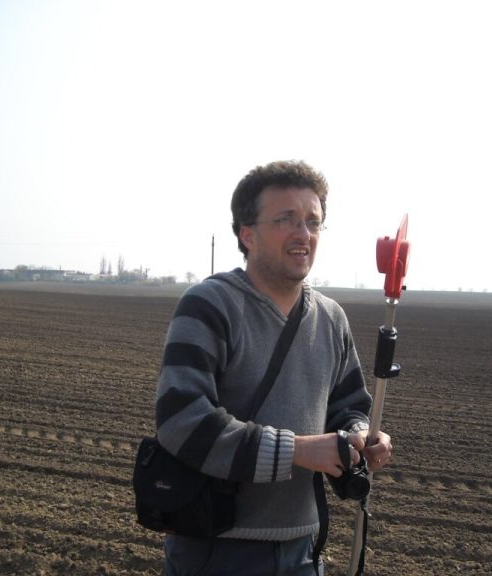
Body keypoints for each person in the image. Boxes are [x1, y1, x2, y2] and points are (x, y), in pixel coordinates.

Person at [155, 160, 393, 576]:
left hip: (303, 550)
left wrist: (359, 436)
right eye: (286, 219)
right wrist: (298, 450)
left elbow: (349, 405)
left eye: (313, 222)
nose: (304, 234)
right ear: (247, 235)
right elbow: (181, 420)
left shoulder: (331, 318)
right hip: (215, 549)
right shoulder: (210, 305)